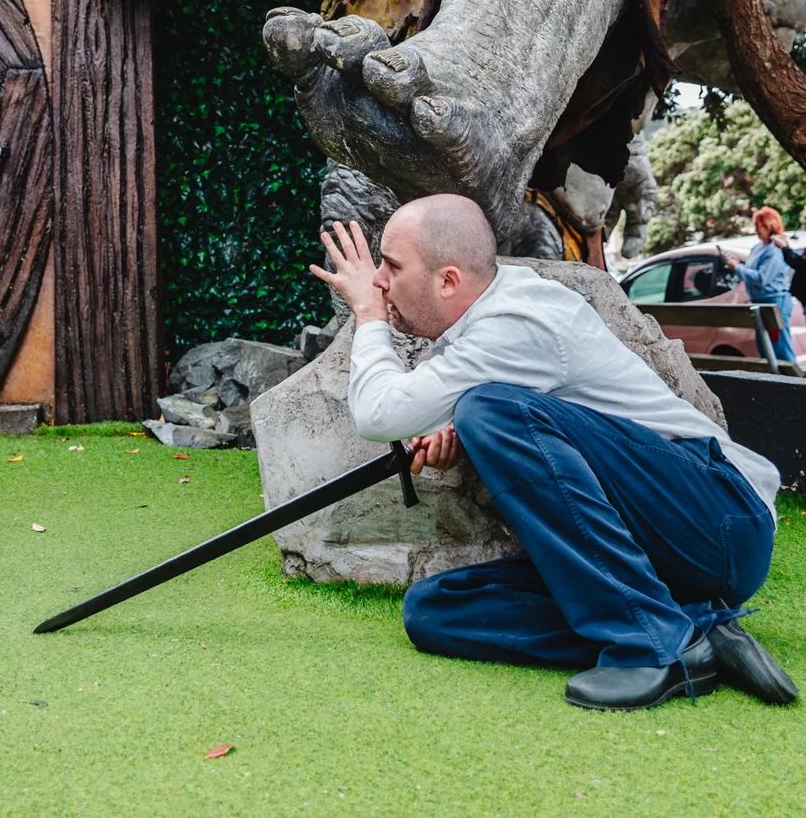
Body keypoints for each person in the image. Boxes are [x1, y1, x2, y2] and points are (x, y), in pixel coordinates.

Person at [310, 194, 797, 711]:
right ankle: (694, 629)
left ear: (448, 281)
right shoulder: (483, 320)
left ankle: (652, 646)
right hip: (656, 549)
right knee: (434, 611)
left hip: (720, 520)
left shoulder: (517, 322)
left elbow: (380, 415)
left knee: (488, 411)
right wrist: (460, 422)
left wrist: (367, 314)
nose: (380, 280)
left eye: (392, 266)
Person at [724, 207, 799, 368]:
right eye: (756, 225)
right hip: (759, 303)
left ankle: (794, 385)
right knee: (765, 349)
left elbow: (762, 278)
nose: (757, 230)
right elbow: (752, 271)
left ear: (770, 225)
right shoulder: (758, 247)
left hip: (774, 302)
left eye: (761, 226)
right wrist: (737, 264)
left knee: (780, 348)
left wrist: (737, 267)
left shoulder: (776, 248)